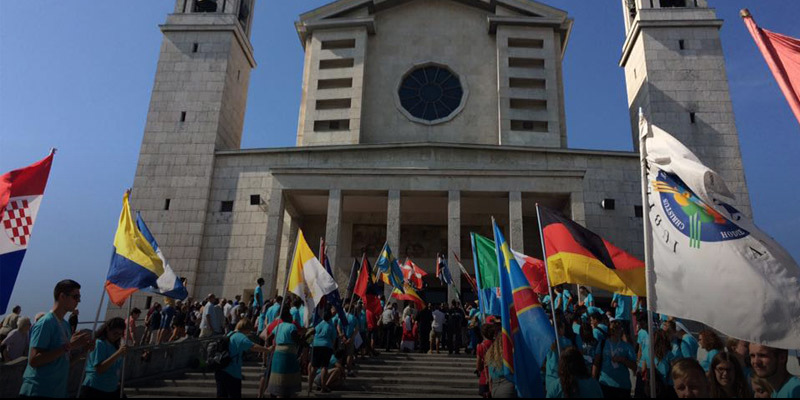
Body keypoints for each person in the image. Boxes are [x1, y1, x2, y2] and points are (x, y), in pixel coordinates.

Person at [19, 279, 92, 397]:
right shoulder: (46, 322)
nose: (78, 301)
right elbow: (33, 360)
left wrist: (84, 351)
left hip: (57, 391)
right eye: (75, 296)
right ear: (62, 296)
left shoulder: (65, 325)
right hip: (38, 390)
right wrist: (70, 346)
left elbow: (63, 362)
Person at [214, 319, 269, 398]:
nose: (249, 333)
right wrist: (267, 350)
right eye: (249, 330)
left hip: (220, 369)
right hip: (232, 372)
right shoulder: (240, 336)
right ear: (246, 328)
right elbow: (253, 346)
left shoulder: (229, 334)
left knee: (221, 395)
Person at [81, 317, 127, 397]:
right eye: (115, 333)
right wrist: (118, 353)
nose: (117, 336)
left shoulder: (114, 346)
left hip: (111, 387)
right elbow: (100, 368)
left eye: (120, 334)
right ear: (107, 330)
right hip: (96, 387)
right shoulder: (99, 343)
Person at [593, 320, 636, 398]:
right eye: (614, 328)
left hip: (623, 385)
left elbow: (634, 366)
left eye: (618, 328)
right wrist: (593, 379)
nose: (616, 330)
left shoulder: (627, 346)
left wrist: (623, 360)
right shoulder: (602, 343)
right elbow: (596, 362)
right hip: (605, 383)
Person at [266, 306, 303, 397]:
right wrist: (304, 342)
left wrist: (271, 346)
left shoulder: (278, 326)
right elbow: (296, 339)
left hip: (277, 352)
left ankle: (278, 393)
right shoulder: (292, 326)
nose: (292, 317)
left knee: (278, 376)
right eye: (290, 316)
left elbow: (268, 337)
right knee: (286, 378)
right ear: (287, 317)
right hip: (288, 353)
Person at [545, 314, 576, 397]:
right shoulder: (555, 340)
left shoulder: (549, 340)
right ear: (558, 329)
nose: (564, 330)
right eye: (563, 328)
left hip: (554, 376)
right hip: (559, 376)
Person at [309, 309, 337, 394]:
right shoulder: (331, 326)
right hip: (326, 346)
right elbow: (333, 339)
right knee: (324, 366)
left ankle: (310, 386)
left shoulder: (319, 324)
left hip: (316, 345)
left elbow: (313, 332)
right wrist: (332, 347)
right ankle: (323, 386)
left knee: (314, 367)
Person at [485, 332, 516, 397]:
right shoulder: (509, 356)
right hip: (508, 386)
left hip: (495, 388)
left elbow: (490, 379)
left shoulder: (491, 356)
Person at [475, 323, 497, 398]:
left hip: (485, 377)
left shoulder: (480, 346)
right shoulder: (496, 344)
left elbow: (478, 367)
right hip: (496, 376)